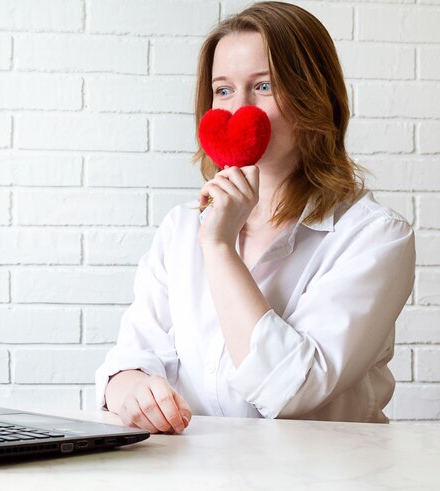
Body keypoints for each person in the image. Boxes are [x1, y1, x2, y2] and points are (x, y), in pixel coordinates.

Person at [95, 1, 415, 434]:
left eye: (263, 86)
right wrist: (130, 389)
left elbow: (291, 390)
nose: (238, 109)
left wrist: (220, 248)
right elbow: (131, 356)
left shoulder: (374, 236)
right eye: (223, 90)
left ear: (313, 97)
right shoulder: (180, 227)